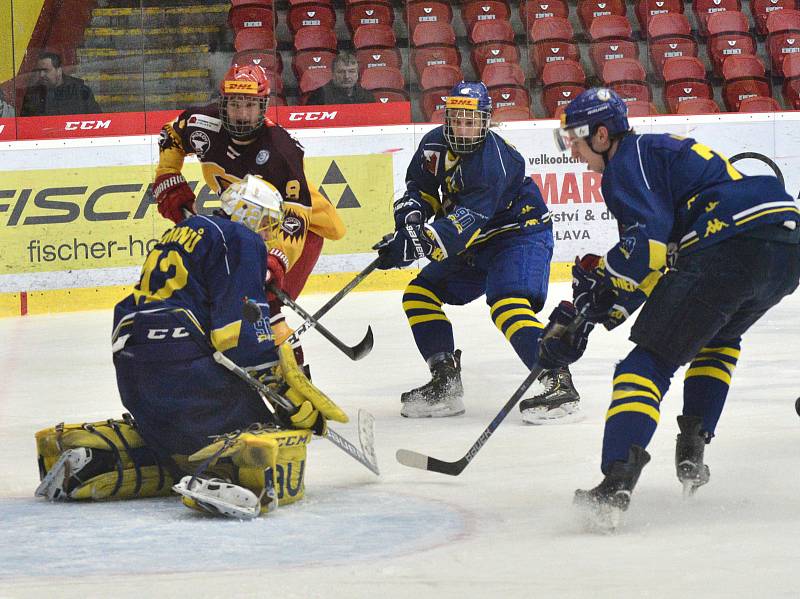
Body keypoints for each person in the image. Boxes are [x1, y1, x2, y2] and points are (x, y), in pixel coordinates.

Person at [548, 87, 800, 527]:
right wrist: (600, 311)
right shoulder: (658, 155)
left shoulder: (628, 161)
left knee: (644, 365)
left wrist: (597, 288)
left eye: (576, 138)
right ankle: (693, 447)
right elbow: (658, 258)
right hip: (785, 243)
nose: (573, 150)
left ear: (602, 136)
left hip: (731, 241)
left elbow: (644, 248)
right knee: (719, 336)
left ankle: (615, 485)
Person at [34, 175, 348, 519]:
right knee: (263, 431)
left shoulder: (182, 232)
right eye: (267, 223)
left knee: (172, 444)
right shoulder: (241, 239)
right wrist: (282, 391)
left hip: (133, 364)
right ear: (250, 215)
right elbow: (238, 334)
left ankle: (94, 458)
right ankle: (224, 476)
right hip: (183, 367)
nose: (268, 234)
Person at [374, 80, 581, 421]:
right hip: (478, 241)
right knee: (419, 294)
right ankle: (445, 381)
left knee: (507, 304)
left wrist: (416, 243)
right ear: (448, 118)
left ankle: (559, 382)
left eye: (471, 121)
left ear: (485, 121)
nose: (464, 128)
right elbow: (420, 190)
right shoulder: (433, 145)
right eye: (458, 119)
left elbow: (462, 225)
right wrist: (409, 221)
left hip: (518, 235)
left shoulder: (493, 161)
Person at [152, 62, 346, 370]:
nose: (242, 113)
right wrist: (168, 176)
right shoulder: (203, 123)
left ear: (263, 106)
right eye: (236, 104)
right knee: (228, 302)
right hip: (246, 223)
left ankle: (295, 380)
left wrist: (275, 261)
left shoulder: (281, 149)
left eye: (251, 105)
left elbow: (296, 218)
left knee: (265, 308)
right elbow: (171, 134)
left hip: (301, 230)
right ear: (224, 103)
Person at [20, 51, 101, 116]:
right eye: (39, 71)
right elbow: (25, 124)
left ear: (59, 71)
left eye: (46, 70)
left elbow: (97, 119)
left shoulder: (80, 91)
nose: (41, 75)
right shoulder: (32, 94)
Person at [305, 52, 376, 105]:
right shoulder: (319, 97)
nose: (346, 76)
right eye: (341, 72)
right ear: (333, 74)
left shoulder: (367, 97)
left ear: (357, 74)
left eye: (351, 71)